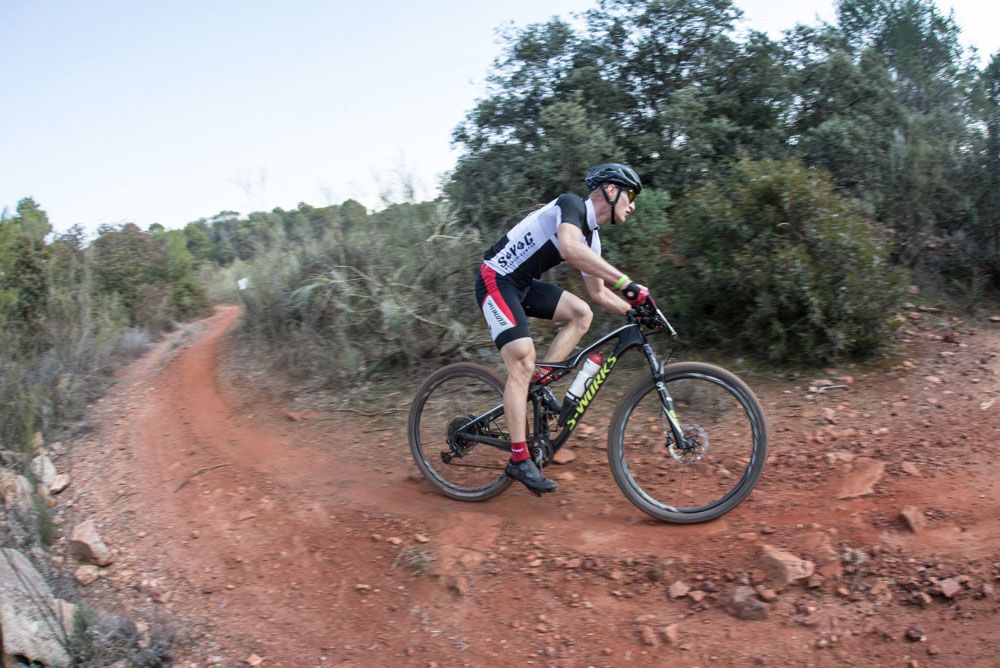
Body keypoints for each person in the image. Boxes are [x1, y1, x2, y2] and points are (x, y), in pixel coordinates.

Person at [474, 163, 654, 494]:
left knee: (581, 313)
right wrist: (629, 284)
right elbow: (570, 249)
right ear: (611, 191)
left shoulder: (593, 240)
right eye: (630, 194)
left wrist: (636, 310)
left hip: (523, 284)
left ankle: (538, 384)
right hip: (496, 278)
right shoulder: (570, 205)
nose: (633, 204)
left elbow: (599, 293)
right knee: (521, 360)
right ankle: (518, 460)